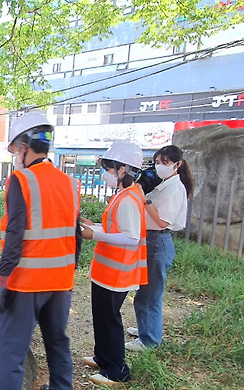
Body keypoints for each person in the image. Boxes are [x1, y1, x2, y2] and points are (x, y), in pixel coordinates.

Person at [0, 112, 81, 390]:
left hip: (26, 282)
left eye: (16, 149)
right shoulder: (70, 184)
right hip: (61, 283)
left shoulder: (21, 180)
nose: (16, 156)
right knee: (58, 343)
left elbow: (15, 235)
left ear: (25, 146)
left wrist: (0, 285)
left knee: (12, 352)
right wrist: (67, 273)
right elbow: (75, 235)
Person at [80, 141, 148, 386]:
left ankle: (116, 370)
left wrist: (94, 234)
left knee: (109, 319)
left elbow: (131, 238)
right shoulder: (123, 194)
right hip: (106, 271)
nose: (105, 173)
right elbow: (114, 228)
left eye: (108, 169)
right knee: (101, 316)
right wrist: (93, 226)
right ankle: (103, 357)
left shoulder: (129, 199)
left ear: (122, 170)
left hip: (117, 272)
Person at [125, 145, 194, 352]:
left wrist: (144, 199)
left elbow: (162, 221)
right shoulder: (165, 184)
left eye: (165, 163)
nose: (160, 167)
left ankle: (150, 340)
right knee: (144, 292)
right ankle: (145, 329)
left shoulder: (174, 188)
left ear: (177, 164)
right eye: (157, 162)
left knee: (149, 295)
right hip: (151, 240)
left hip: (158, 240)